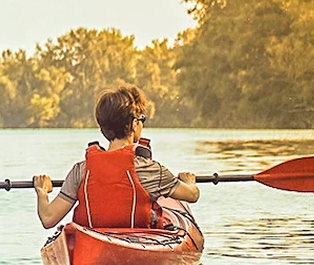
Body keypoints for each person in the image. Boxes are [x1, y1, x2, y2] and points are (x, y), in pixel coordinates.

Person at [31, 86, 199, 229]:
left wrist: (42, 192)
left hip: (92, 245)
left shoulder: (81, 171)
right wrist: (189, 182)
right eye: (142, 120)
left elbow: (48, 219)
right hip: (137, 244)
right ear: (134, 124)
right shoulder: (150, 170)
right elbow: (192, 196)